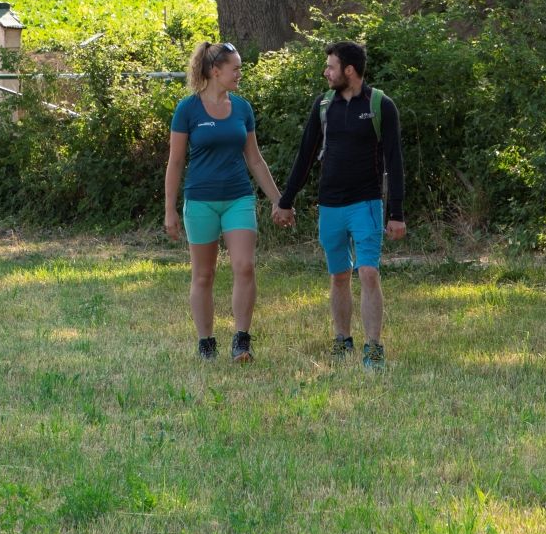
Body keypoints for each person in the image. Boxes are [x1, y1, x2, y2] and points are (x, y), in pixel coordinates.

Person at [273, 40, 406, 367]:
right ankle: (342, 340)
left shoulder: (380, 105)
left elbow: (395, 161)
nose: (326, 72)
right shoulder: (323, 106)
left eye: (331, 66)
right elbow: (305, 156)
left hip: (367, 204)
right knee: (339, 275)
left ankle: (373, 347)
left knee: (369, 273)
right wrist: (286, 201)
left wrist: (397, 213)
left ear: (349, 70)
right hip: (330, 205)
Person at [164, 39, 283, 362]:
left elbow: (255, 160)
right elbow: (175, 162)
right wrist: (169, 210)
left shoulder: (242, 108)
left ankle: (242, 340)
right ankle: (206, 342)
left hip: (238, 198)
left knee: (245, 266)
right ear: (215, 71)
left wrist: (278, 200)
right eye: (235, 68)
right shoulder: (187, 109)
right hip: (200, 201)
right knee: (204, 275)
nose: (239, 74)